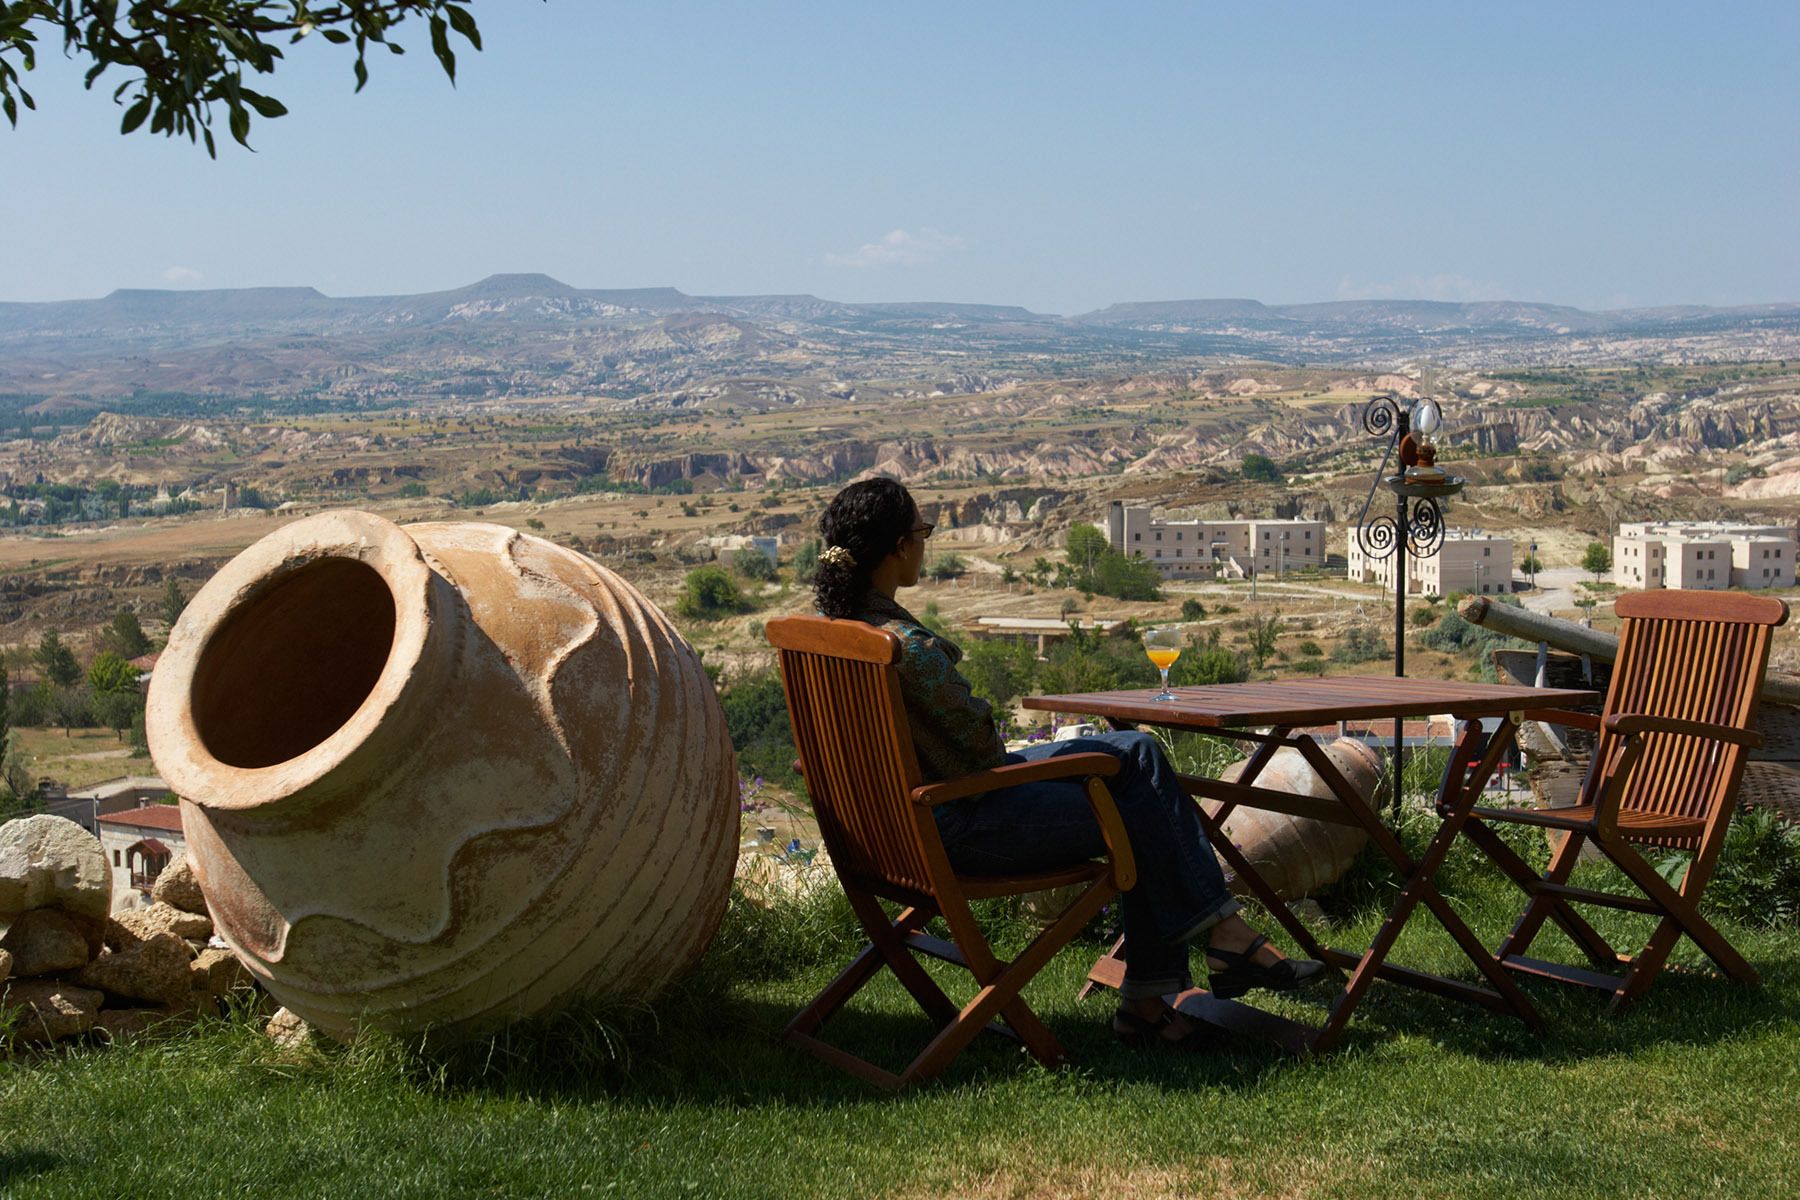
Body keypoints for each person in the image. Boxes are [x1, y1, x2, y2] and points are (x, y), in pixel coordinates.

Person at [812, 477, 1327, 1049]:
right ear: (897, 548)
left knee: (1138, 752)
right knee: (1140, 801)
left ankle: (1187, 969)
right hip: (956, 826)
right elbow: (983, 749)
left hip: (888, 832)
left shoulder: (833, 636)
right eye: (922, 532)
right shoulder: (907, 650)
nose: (925, 543)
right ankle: (1185, 970)